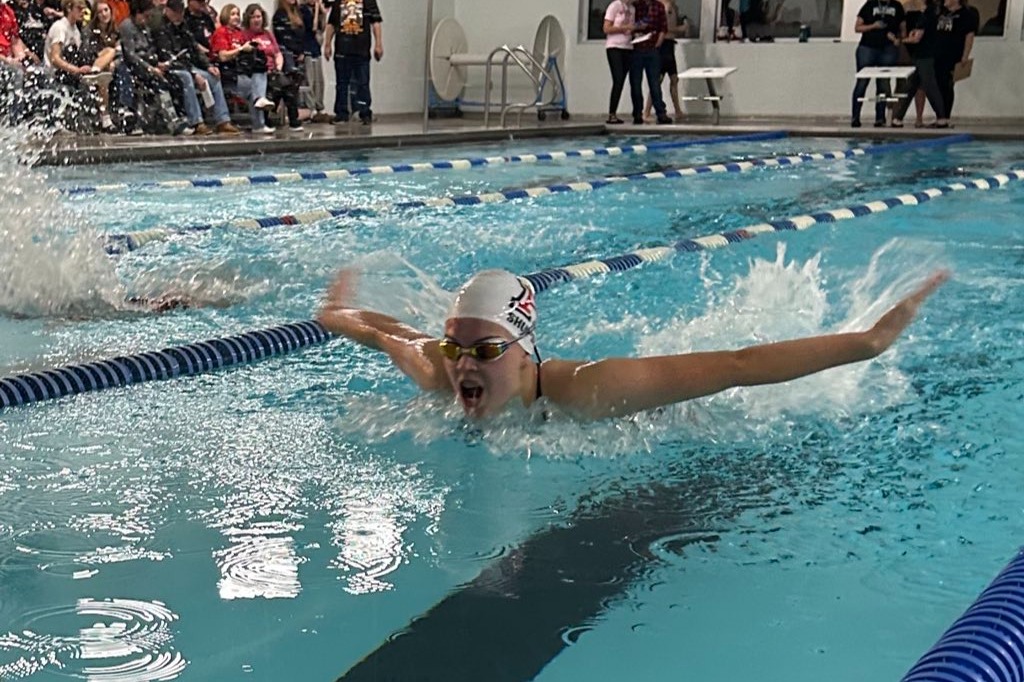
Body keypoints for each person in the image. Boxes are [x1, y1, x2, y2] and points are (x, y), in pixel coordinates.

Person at [316, 268, 949, 421]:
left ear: (524, 349)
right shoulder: (439, 371)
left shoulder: (591, 390)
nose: (462, 367)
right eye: (457, 349)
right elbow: (387, 333)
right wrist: (336, 310)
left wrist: (867, 342)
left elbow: (736, 366)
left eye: (485, 350)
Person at [153, 0, 240, 135]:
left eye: (180, 14)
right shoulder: (160, 28)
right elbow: (167, 56)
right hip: (170, 68)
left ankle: (222, 120)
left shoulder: (182, 25)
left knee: (213, 76)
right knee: (187, 78)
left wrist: (208, 65)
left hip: (187, 65)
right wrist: (193, 74)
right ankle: (197, 121)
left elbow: (194, 47)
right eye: (176, 14)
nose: (179, 17)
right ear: (168, 11)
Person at [45, 0, 118, 132]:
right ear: (69, 8)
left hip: (75, 69)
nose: (82, 12)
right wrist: (77, 70)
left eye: (84, 9)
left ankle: (96, 72)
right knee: (99, 72)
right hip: (59, 73)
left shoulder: (75, 30)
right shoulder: (60, 27)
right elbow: (55, 59)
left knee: (110, 53)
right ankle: (105, 118)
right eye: (79, 8)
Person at [209, 2, 275, 133]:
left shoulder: (240, 33)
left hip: (242, 70)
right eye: (233, 14)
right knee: (254, 89)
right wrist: (241, 49)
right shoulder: (221, 33)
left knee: (259, 70)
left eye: (238, 14)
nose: (236, 17)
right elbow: (222, 56)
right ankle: (259, 122)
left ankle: (259, 118)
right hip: (227, 72)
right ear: (226, 15)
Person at [242, 2, 302, 131]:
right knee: (273, 86)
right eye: (253, 17)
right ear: (248, 19)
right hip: (258, 71)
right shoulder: (245, 35)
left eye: (259, 16)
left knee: (289, 84)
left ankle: (294, 121)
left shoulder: (268, 34)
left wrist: (278, 68)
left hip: (274, 70)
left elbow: (277, 53)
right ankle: (265, 120)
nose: (257, 20)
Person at [322, 0, 380, 125]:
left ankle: (364, 112)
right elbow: (331, 23)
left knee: (363, 83)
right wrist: (327, 44)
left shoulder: (369, 1)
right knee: (341, 84)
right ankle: (341, 114)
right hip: (342, 49)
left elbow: (375, 22)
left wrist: (378, 44)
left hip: (361, 49)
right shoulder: (338, 2)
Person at [891, 0, 948, 128]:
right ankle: (898, 118)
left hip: (924, 55)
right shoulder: (933, 15)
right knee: (911, 85)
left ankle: (941, 118)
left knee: (930, 86)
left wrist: (899, 41)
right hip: (922, 55)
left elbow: (916, 38)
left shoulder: (926, 16)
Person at [850, 0, 906, 128]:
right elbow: (857, 28)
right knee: (862, 81)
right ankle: (855, 116)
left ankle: (880, 117)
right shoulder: (870, 4)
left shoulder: (897, 6)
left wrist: (898, 40)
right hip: (868, 47)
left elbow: (903, 29)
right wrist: (873, 26)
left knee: (883, 83)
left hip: (888, 48)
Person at [933, 0, 977, 124]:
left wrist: (965, 55)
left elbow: (969, 36)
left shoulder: (966, 15)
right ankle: (939, 115)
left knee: (947, 85)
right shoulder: (941, 12)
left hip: (953, 55)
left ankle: (945, 116)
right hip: (938, 54)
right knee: (938, 85)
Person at [643, 0, 687, 122]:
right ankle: (646, 112)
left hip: (670, 46)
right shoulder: (660, 5)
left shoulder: (674, 7)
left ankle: (677, 110)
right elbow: (663, 28)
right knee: (658, 80)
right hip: (662, 46)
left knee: (674, 78)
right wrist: (681, 28)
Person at [629, 0, 670, 125]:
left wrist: (657, 45)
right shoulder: (635, 6)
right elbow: (627, 25)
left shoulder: (658, 6)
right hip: (636, 49)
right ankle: (637, 113)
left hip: (652, 49)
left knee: (654, 83)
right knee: (636, 84)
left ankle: (661, 113)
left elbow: (663, 28)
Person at [602, 0, 634, 125]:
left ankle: (614, 113)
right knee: (618, 78)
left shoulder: (632, 9)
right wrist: (624, 28)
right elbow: (606, 28)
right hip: (615, 47)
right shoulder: (615, 6)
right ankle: (612, 113)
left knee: (622, 80)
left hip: (628, 47)